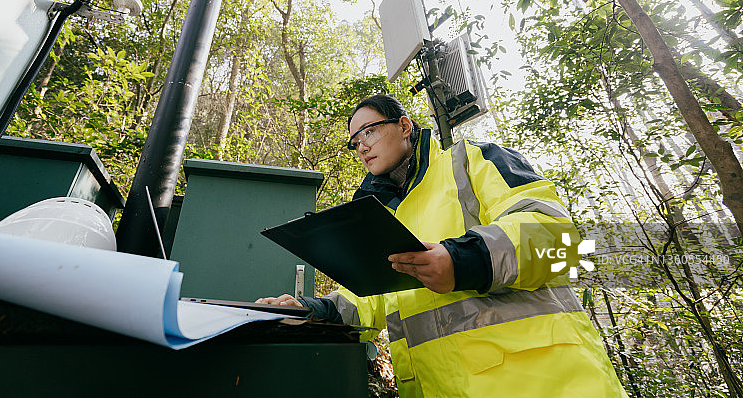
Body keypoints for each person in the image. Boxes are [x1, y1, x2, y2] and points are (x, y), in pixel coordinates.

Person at [258, 94, 628, 397]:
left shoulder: (473, 160)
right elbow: (371, 298)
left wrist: (462, 260)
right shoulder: (381, 213)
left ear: (404, 126)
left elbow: (560, 240)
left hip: (545, 383)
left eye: (368, 132)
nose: (361, 147)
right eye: (355, 142)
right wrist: (311, 310)